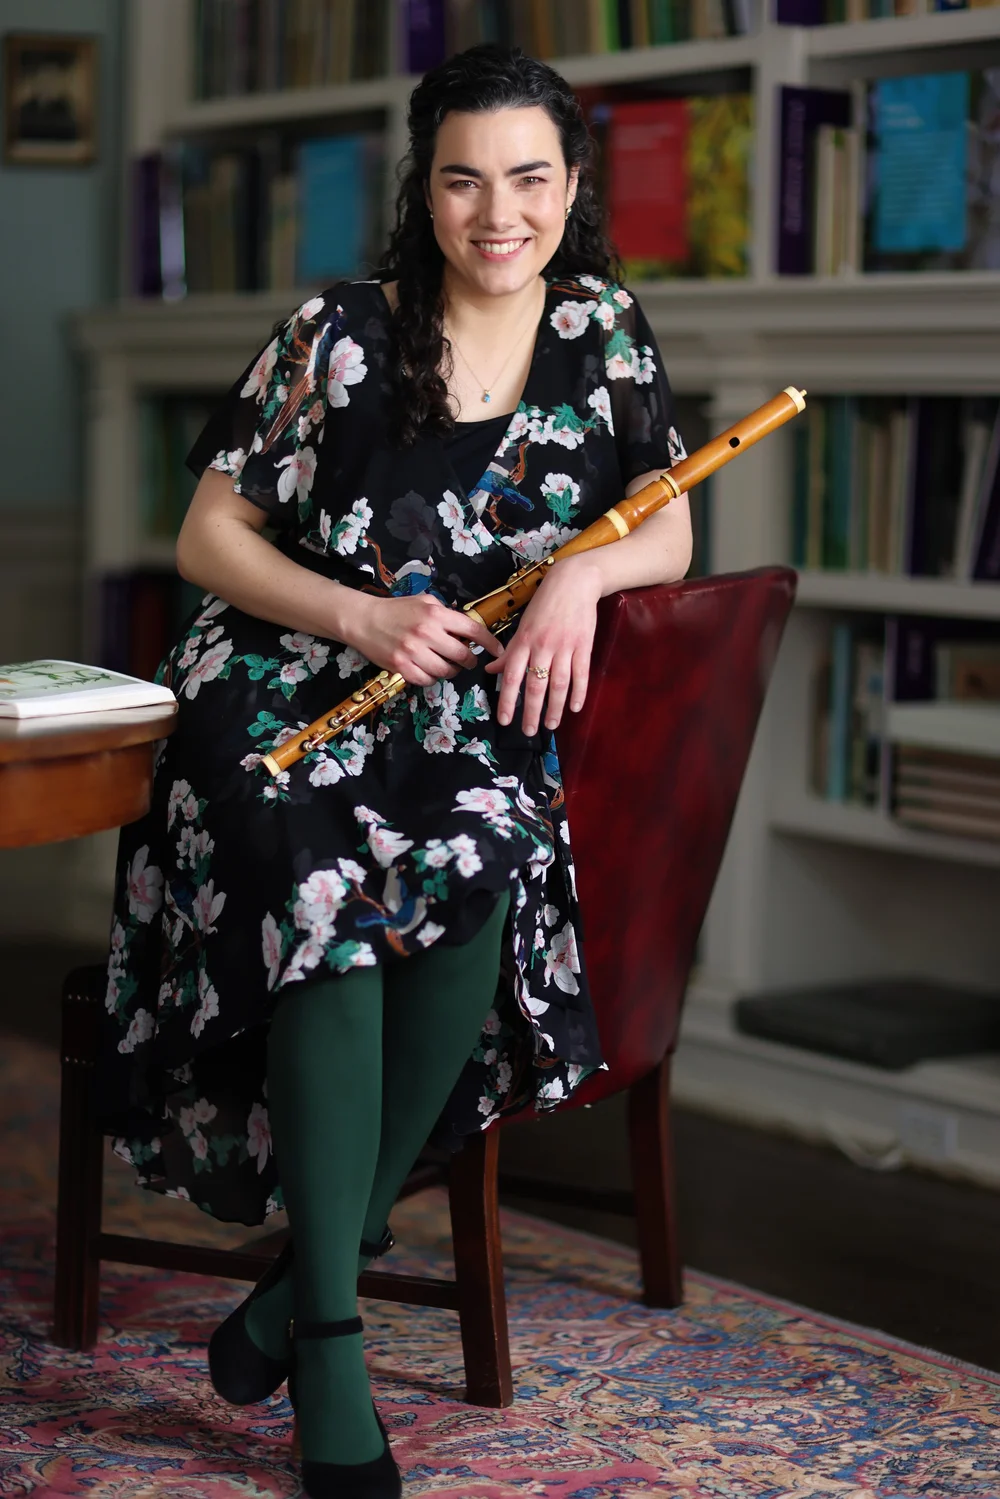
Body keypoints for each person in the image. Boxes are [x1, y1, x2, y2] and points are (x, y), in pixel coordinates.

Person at [98, 43, 692, 1499]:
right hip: (280, 688)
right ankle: (332, 1335)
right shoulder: (339, 329)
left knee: (478, 876)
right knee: (325, 908)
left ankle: (293, 1280)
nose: (500, 212)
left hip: (452, 717)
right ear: (425, 190)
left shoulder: (606, 328)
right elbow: (207, 541)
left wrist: (579, 579)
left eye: (530, 179)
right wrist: (357, 611)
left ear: (572, 188)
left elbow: (669, 523)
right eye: (465, 178)